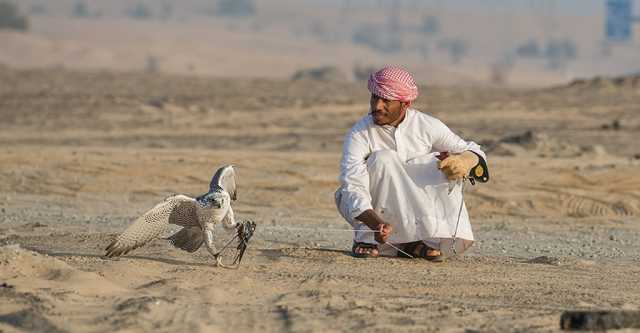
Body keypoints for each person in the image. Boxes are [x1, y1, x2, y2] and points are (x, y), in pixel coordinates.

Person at [334, 66, 489, 260]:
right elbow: (352, 184)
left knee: (438, 162)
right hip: (372, 215)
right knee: (383, 159)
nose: (377, 106)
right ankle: (368, 239)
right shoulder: (359, 133)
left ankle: (419, 242)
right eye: (374, 97)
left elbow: (474, 150)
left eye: (386, 100)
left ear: (405, 104)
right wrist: (375, 224)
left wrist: (465, 161)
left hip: (413, 206)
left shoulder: (427, 125)